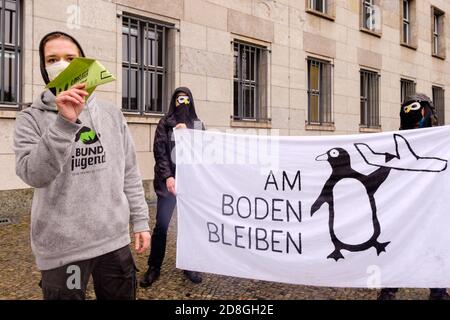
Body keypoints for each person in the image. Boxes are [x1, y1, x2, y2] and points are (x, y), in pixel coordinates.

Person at [13, 31, 150, 300]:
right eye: (52, 59)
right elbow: (33, 174)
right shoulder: (30, 118)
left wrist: (140, 220)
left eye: (70, 58)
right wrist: (64, 122)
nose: (61, 64)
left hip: (113, 241)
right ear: (44, 68)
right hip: (63, 249)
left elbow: (129, 172)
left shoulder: (111, 113)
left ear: (83, 63)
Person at [377, 93, 450, 300]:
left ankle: (434, 289)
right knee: (401, 245)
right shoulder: (401, 143)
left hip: (429, 207)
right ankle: (393, 289)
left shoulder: (439, 143)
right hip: (408, 208)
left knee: (429, 246)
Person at [140, 87, 204, 288]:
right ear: (173, 102)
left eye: (186, 99)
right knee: (161, 226)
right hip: (168, 185)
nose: (182, 103)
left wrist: (191, 135)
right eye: (179, 99)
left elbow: (206, 151)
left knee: (188, 227)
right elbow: (160, 152)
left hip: (190, 185)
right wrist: (168, 176)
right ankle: (154, 267)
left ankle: (189, 264)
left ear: (191, 102)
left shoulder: (198, 125)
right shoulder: (164, 124)